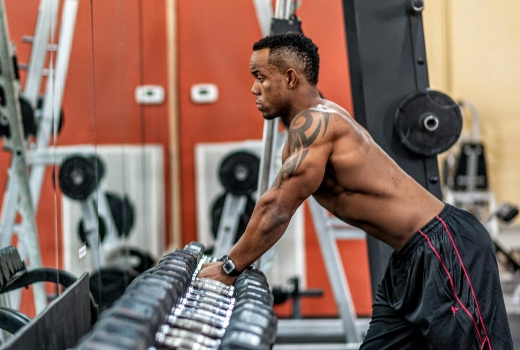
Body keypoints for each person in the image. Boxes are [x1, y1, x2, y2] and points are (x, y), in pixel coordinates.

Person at [197, 33, 511, 349]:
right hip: (410, 257)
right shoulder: (316, 119)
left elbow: (276, 208)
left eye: (261, 78)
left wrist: (229, 267)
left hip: (444, 248)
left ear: (290, 78)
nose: (254, 88)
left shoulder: (316, 124)